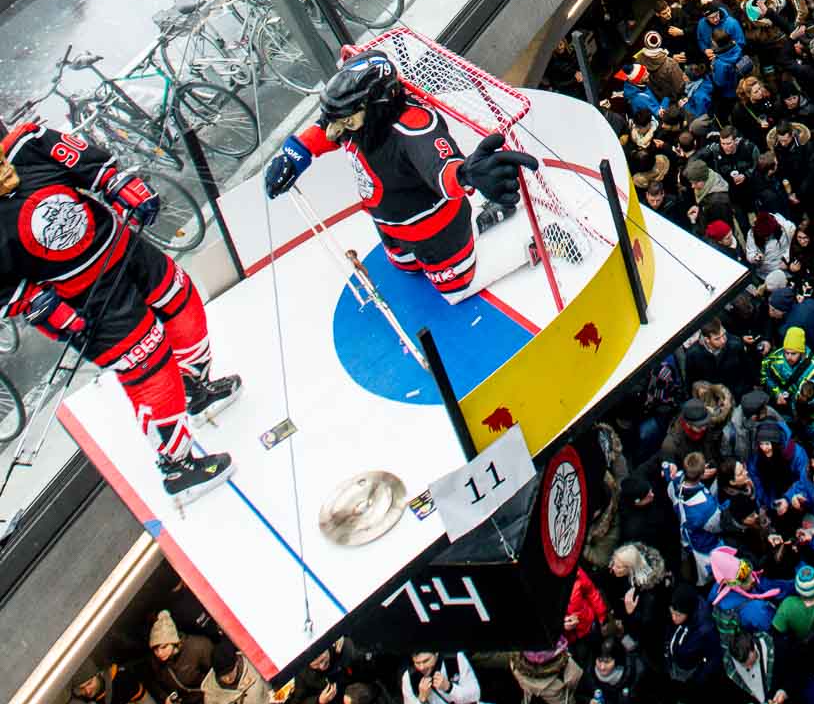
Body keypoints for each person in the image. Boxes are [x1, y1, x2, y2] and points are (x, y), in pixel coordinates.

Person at [0, 118, 239, 500]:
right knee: (151, 369)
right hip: (87, 298)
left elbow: (88, 165)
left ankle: (194, 386)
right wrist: (33, 303)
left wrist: (118, 184)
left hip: (124, 248)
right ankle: (177, 467)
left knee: (183, 303)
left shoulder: (29, 144)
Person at [264, 53, 517, 299]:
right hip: (389, 228)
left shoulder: (413, 127)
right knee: (406, 269)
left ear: (375, 106)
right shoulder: (354, 115)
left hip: (437, 235)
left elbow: (443, 168)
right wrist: (294, 154)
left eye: (345, 122)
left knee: (455, 291)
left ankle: (486, 224)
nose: (333, 132)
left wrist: (468, 174)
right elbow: (327, 126)